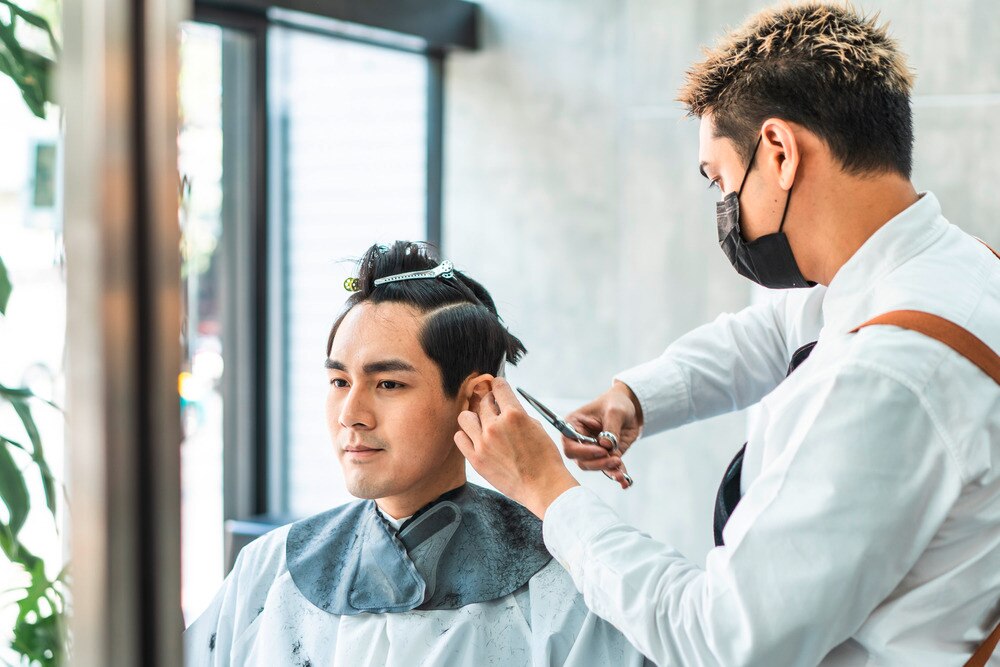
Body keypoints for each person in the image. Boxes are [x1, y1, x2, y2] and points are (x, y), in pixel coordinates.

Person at [453, 3, 1000, 666]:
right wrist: (639, 394)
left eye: (720, 180)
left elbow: (721, 640)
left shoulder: (887, 376)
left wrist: (547, 491)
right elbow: (778, 328)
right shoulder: (946, 270)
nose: (725, 210)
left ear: (779, 151)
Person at [183, 241, 653, 666]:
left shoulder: (563, 589)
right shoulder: (269, 571)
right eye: (339, 382)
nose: (351, 414)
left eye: (388, 384)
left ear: (473, 400)